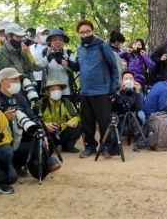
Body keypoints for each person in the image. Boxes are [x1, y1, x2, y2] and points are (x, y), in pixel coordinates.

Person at [68, 19, 120, 159]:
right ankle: (90, 146)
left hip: (102, 91)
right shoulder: (80, 49)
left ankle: (106, 147)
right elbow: (80, 66)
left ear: (93, 31)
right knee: (87, 122)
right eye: (82, 32)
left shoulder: (103, 47)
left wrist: (114, 89)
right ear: (78, 34)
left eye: (88, 31)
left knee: (104, 121)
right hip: (85, 91)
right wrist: (68, 64)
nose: (85, 34)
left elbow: (114, 68)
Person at [0, 23, 36, 92]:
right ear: (8, 36)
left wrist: (33, 85)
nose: (21, 39)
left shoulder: (23, 53)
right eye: (18, 36)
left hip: (23, 93)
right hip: (4, 93)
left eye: (22, 37)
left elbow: (30, 70)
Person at [36, 78, 81, 153]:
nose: (56, 91)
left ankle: (68, 146)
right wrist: (46, 125)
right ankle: (47, 146)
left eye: (59, 89)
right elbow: (35, 120)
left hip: (61, 131)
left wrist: (73, 121)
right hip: (47, 134)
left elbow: (76, 116)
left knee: (78, 126)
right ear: (47, 92)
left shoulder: (65, 102)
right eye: (53, 89)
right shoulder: (41, 103)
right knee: (47, 151)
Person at [34, 29, 76, 96]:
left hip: (65, 91)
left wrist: (67, 65)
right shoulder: (43, 53)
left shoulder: (68, 53)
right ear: (50, 41)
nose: (58, 42)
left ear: (64, 42)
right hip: (49, 91)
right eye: (55, 40)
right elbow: (36, 68)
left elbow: (75, 68)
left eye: (60, 40)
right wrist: (47, 59)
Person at [30, 26, 50, 93]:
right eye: (42, 34)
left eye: (46, 34)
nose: (45, 35)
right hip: (35, 79)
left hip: (48, 79)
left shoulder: (51, 47)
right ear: (37, 35)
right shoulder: (31, 48)